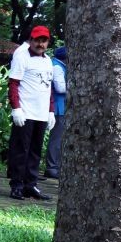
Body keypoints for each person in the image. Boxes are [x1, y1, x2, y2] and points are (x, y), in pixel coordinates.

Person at [8, 25, 55, 200]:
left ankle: (31, 185)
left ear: (48, 42)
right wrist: (16, 108)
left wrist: (51, 111)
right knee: (21, 150)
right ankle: (17, 185)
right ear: (32, 40)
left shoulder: (47, 60)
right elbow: (13, 83)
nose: (40, 44)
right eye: (37, 40)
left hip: (41, 113)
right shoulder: (22, 57)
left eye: (44, 41)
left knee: (35, 151)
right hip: (25, 112)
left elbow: (48, 86)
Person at [44, 46, 68, 179]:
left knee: (58, 138)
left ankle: (54, 166)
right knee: (56, 139)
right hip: (59, 106)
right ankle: (52, 167)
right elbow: (60, 88)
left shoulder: (56, 64)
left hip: (60, 106)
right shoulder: (58, 67)